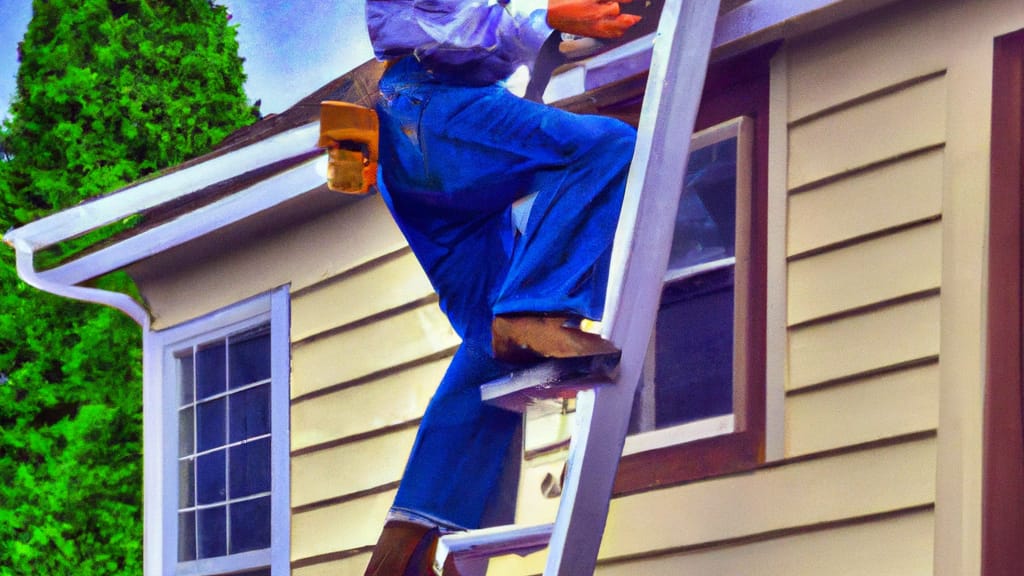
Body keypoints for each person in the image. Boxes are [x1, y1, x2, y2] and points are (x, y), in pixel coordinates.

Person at [362, 1, 642, 573]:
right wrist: (552, 15)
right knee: (603, 145)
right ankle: (537, 309)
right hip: (434, 109)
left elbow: (493, 36)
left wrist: (554, 28)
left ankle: (404, 546)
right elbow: (454, 28)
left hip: (415, 133)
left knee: (492, 346)